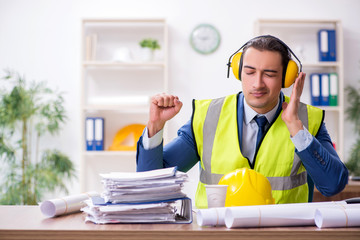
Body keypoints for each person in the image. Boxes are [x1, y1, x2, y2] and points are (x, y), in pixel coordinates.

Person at [136, 35, 348, 209]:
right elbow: (151, 184)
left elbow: (332, 185)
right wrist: (155, 127)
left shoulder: (308, 120)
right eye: (249, 72)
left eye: (270, 74)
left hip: (282, 234)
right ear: (238, 72)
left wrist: (295, 127)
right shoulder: (207, 116)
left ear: (287, 78)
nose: (257, 83)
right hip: (216, 233)